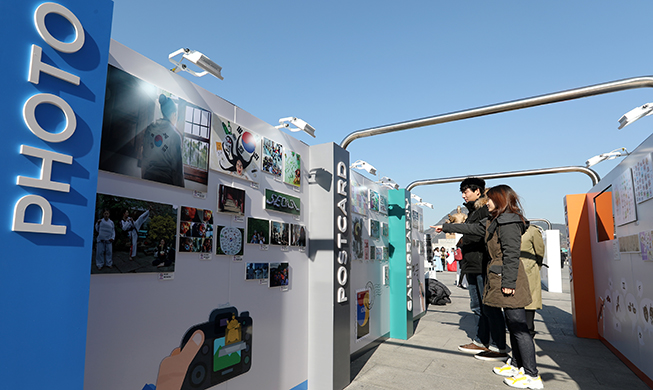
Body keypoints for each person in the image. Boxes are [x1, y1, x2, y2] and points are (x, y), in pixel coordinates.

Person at [432, 177, 506, 359]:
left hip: (482, 264)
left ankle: (498, 346)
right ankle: (481, 341)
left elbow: (476, 232)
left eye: (466, 191)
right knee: (477, 306)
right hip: (471, 264)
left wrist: (452, 230)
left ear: (478, 191)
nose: (464, 195)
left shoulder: (483, 211)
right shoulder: (473, 212)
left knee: (489, 306)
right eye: (463, 192)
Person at [483, 185, 542, 389]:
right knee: (514, 323)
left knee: (518, 327)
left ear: (499, 200)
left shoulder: (508, 222)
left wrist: (508, 283)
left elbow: (511, 254)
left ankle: (532, 376)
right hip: (505, 277)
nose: (486, 202)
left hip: (509, 280)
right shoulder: (501, 220)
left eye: (489, 199)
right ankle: (517, 366)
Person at [140, 94, 185, 187]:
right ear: (174, 115)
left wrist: (143, 181)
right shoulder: (175, 136)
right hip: (166, 183)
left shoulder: (149, 129)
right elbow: (177, 170)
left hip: (148, 179)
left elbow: (144, 159)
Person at [521, 225, 545, 337]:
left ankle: (529, 330)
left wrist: (535, 266)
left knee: (529, 302)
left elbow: (540, 251)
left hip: (528, 269)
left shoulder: (532, 231)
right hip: (515, 269)